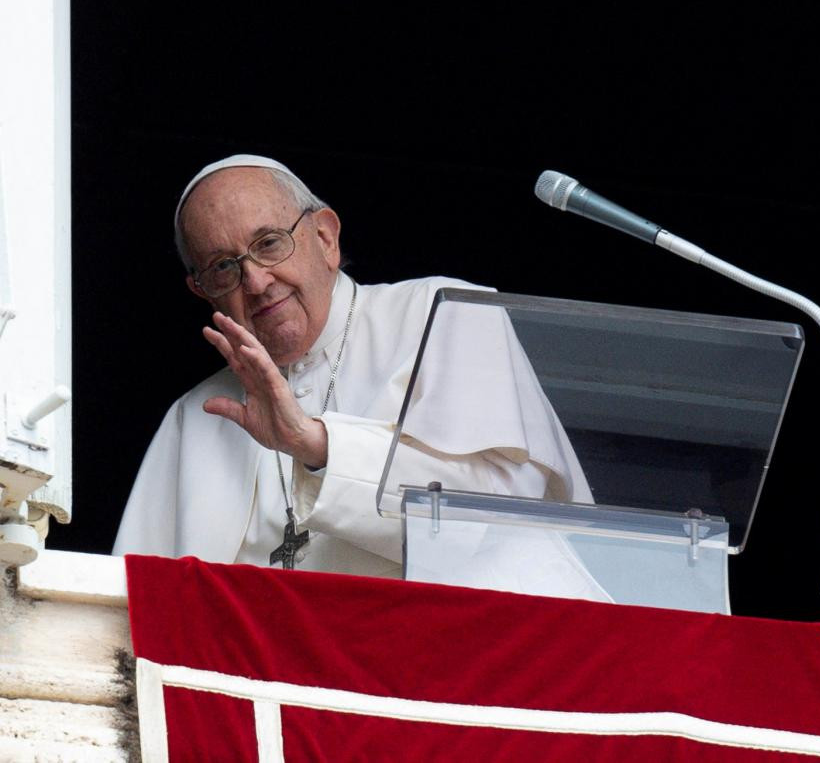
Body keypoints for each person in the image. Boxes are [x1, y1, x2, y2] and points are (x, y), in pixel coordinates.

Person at [113, 155, 605, 599]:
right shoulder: (194, 418)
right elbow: (135, 603)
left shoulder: (443, 313)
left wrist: (321, 448)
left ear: (325, 238)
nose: (257, 282)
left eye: (269, 244)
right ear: (204, 292)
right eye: (224, 267)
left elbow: (490, 517)